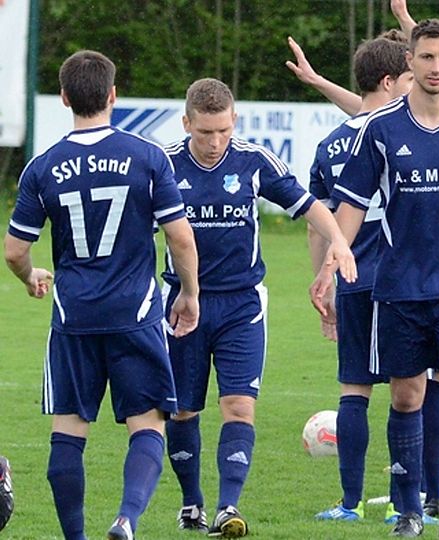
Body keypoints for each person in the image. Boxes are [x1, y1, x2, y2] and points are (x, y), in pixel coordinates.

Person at [314, 19, 439, 540]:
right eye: (426, 57)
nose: (435, 67)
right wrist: (333, 260)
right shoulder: (381, 128)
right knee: (406, 396)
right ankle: (408, 511)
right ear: (410, 61)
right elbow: (351, 203)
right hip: (401, 281)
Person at [4, 50, 200, 540]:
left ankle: (76, 537)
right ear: (113, 95)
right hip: (135, 312)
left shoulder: (42, 167)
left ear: (64, 98)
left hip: (74, 315)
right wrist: (189, 292)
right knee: (148, 424)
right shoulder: (147, 156)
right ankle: (126, 519)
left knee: (68, 433)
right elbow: (180, 238)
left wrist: (29, 276)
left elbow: (14, 250)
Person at [162, 78, 355, 538]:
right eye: (205, 132)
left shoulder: (253, 161)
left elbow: (308, 204)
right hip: (182, 305)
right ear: (186, 123)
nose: (215, 142)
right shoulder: (164, 165)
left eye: (223, 131)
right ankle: (192, 503)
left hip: (242, 306)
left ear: (235, 121)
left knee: (238, 406)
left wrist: (338, 240)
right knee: (183, 411)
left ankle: (228, 508)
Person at [308, 37, 414, 524]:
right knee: (409, 391)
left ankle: (349, 503)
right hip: (403, 280)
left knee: (355, 388)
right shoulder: (404, 133)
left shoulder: (330, 144)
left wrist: (324, 282)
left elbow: (318, 224)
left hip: (350, 280)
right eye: (409, 78)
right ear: (390, 82)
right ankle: (403, 502)